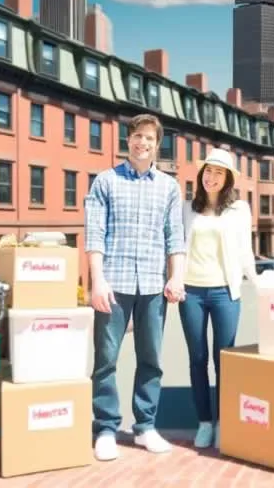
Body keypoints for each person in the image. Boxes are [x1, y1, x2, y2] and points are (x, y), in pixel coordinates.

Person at [84, 114, 186, 461]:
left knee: (151, 359)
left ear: (158, 144)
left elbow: (175, 238)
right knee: (106, 360)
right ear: (129, 140)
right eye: (137, 136)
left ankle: (144, 428)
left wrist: (176, 277)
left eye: (149, 138)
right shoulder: (105, 181)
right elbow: (94, 234)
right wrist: (97, 280)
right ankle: (107, 429)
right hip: (114, 284)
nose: (143, 143)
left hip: (154, 286)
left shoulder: (169, 187)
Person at [179, 147, 257, 448]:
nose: (212, 177)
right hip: (192, 291)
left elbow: (245, 252)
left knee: (224, 360)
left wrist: (259, 285)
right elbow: (175, 247)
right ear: (202, 175)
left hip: (225, 291)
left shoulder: (240, 210)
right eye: (208, 171)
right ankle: (204, 423)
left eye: (219, 172)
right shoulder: (187, 208)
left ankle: (224, 421)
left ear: (227, 180)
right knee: (197, 360)